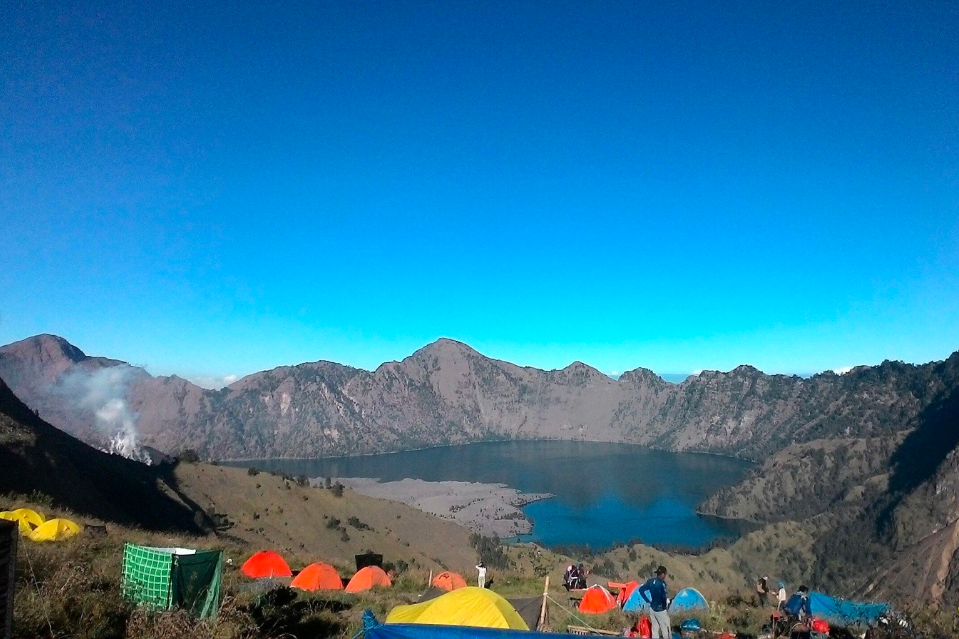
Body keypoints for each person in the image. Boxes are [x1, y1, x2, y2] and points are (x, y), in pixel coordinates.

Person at [636, 566, 670, 639]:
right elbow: (664, 596)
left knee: (654, 629)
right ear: (663, 574)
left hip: (652, 608)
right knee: (665, 629)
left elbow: (641, 590)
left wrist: (647, 600)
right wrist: (665, 607)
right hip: (661, 609)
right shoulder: (662, 584)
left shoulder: (650, 581)